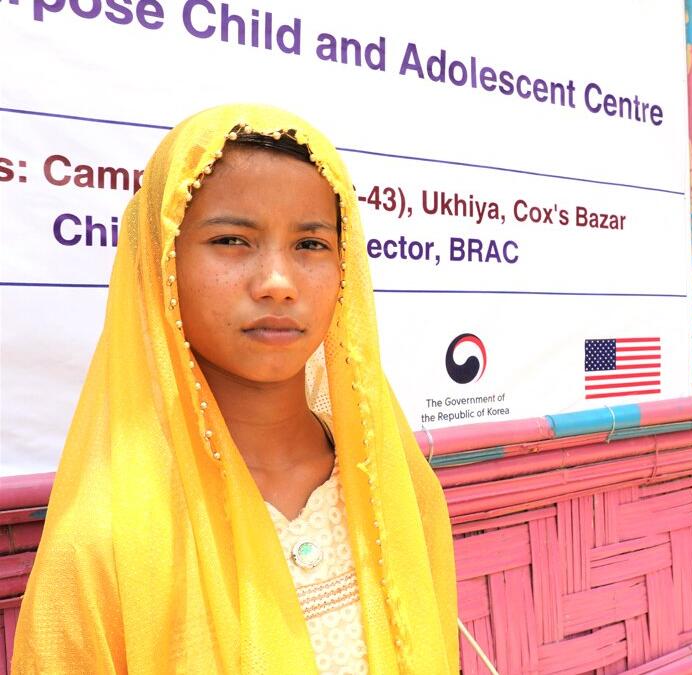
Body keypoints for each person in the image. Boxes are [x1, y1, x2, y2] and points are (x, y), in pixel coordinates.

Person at [11, 105, 460, 674]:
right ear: (161, 265)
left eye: (311, 245)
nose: (277, 282)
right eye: (231, 240)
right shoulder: (107, 544)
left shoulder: (395, 493)